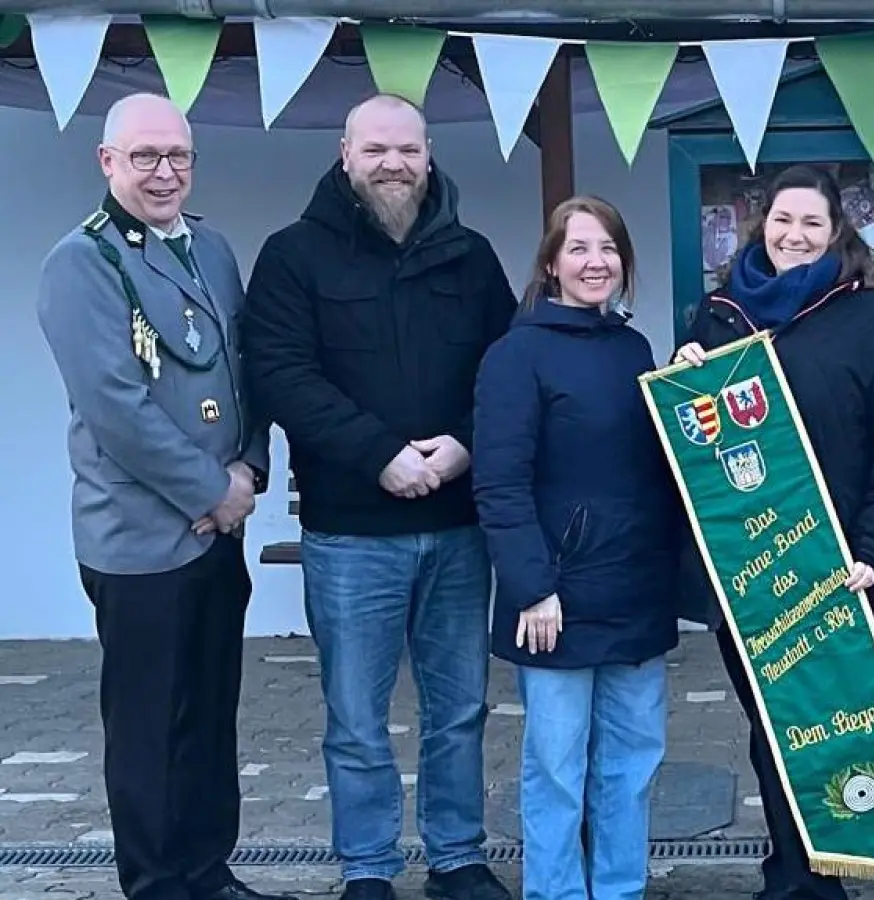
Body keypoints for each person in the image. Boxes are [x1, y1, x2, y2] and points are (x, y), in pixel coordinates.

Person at [241, 93, 516, 900]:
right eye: (376, 150)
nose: (393, 164)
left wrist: (465, 443)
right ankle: (367, 867)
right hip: (351, 532)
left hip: (458, 527)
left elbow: (509, 369)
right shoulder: (293, 256)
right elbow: (282, 375)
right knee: (357, 719)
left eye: (407, 150)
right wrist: (380, 456)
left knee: (459, 710)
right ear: (345, 154)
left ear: (428, 156)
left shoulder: (471, 257)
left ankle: (457, 857)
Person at [36, 91, 283, 900]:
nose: (164, 172)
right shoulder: (83, 262)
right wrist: (212, 490)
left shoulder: (210, 248)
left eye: (178, 156)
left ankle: (207, 870)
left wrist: (249, 471)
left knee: (209, 717)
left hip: (219, 529)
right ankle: (156, 884)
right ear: (107, 161)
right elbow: (118, 410)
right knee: (149, 728)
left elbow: (245, 372)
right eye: (145, 156)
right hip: (142, 539)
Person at [672, 164, 874, 900]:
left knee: (828, 724)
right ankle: (789, 873)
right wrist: (684, 379)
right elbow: (691, 445)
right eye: (783, 220)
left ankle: (826, 875)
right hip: (747, 568)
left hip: (834, 563)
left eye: (812, 222)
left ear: (836, 231)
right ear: (762, 224)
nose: (795, 234)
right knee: (770, 727)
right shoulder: (719, 315)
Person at [471, 195, 683, 900]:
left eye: (609, 249)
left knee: (632, 763)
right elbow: (500, 483)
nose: (596, 262)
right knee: (558, 769)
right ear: (551, 265)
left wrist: (690, 385)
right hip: (555, 599)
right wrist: (532, 586)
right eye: (579, 249)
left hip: (633, 591)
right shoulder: (516, 355)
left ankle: (619, 890)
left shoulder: (634, 349)